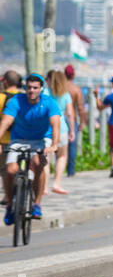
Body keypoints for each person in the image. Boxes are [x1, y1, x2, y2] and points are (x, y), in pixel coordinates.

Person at [0, 73, 61, 224]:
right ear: (24, 88)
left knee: (38, 163)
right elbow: (5, 123)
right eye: (28, 88)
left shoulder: (49, 102)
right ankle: (9, 205)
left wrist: (54, 145)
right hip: (19, 139)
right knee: (10, 170)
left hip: (41, 139)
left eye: (35, 88)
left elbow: (55, 125)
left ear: (41, 89)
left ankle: (37, 204)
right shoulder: (16, 101)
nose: (31, 91)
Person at [44, 69, 73, 195]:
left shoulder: (45, 92)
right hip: (62, 128)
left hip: (47, 128)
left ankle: (44, 186)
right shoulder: (65, 95)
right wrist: (72, 130)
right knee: (62, 156)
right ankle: (56, 183)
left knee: (46, 158)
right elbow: (70, 114)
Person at [63, 65, 87, 177]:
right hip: (72, 117)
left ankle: (60, 167)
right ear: (73, 75)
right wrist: (82, 122)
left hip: (61, 117)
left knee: (60, 145)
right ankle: (71, 171)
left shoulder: (60, 88)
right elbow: (81, 108)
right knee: (72, 146)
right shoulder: (76, 90)